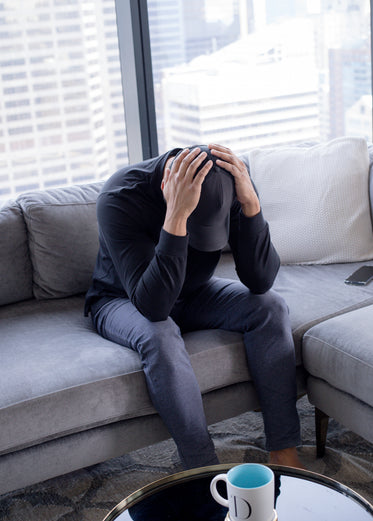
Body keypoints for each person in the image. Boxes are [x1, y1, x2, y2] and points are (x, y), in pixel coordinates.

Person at [85, 143, 304, 469]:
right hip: (123, 299)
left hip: (193, 292)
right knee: (160, 334)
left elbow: (260, 281)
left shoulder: (232, 182)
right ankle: (202, 466)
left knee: (270, 308)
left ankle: (284, 450)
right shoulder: (120, 196)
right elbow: (154, 308)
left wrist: (251, 204)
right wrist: (176, 216)